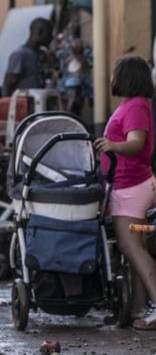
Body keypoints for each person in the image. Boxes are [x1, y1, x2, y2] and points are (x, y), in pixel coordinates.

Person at [94, 55, 156, 329]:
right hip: (128, 185)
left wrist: (112, 146)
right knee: (135, 249)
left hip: (131, 187)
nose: (111, 79)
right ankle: (138, 310)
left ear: (126, 78)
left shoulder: (135, 107)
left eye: (115, 73)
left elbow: (136, 142)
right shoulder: (133, 105)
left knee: (132, 248)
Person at [2, 17, 54, 97]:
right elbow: (7, 85)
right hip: (23, 105)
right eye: (49, 34)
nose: (51, 38)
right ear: (39, 33)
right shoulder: (20, 55)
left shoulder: (41, 54)